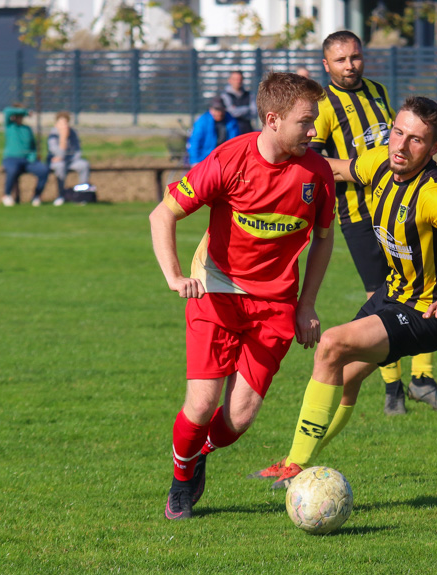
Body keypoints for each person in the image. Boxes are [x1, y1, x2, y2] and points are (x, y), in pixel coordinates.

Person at [250, 96, 437, 488]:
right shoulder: (379, 164)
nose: (401, 145)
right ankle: (296, 463)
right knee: (346, 377)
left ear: (434, 149)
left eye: (416, 140)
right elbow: (334, 166)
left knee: (330, 344)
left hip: (426, 314)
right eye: (398, 132)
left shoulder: (435, 193)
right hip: (392, 296)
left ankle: (294, 465)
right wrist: (282, 150)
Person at [150, 72, 336, 520]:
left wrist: (306, 303)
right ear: (272, 119)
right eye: (306, 121)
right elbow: (163, 214)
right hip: (216, 290)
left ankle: (197, 455)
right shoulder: (229, 160)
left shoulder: (317, 172)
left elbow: (324, 239)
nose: (314, 131)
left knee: (239, 419)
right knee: (201, 402)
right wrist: (175, 277)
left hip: (275, 304)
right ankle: (180, 481)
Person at [311, 30, 437, 416]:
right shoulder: (323, 105)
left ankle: (422, 379)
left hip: (403, 208)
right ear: (327, 65)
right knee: (383, 297)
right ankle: (392, 387)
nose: (349, 65)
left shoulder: (377, 92)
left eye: (355, 57)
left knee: (422, 291)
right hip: (359, 217)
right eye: (340, 60)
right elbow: (317, 164)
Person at [1, 103, 49, 207]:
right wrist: (26, 111)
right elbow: (7, 111)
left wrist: (33, 156)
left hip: (27, 160)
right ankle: (7, 195)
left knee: (43, 170)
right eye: (19, 114)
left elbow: (33, 145)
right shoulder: (10, 126)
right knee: (12, 171)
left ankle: (36, 196)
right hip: (11, 159)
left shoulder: (27, 129)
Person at [47, 111, 94, 206]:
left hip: (72, 160)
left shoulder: (73, 133)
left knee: (84, 165)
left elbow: (77, 151)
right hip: (58, 162)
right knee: (60, 166)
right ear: (56, 124)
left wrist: (71, 158)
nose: (64, 126)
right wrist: (63, 138)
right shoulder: (53, 135)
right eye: (61, 123)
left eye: (65, 123)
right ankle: (60, 195)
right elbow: (57, 154)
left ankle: (82, 194)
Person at [187, 97, 240, 166]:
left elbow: (235, 142)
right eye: (216, 110)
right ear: (211, 110)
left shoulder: (231, 121)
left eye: (221, 109)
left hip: (225, 159)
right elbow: (195, 142)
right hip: (204, 159)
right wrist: (195, 161)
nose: (219, 113)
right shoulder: (202, 121)